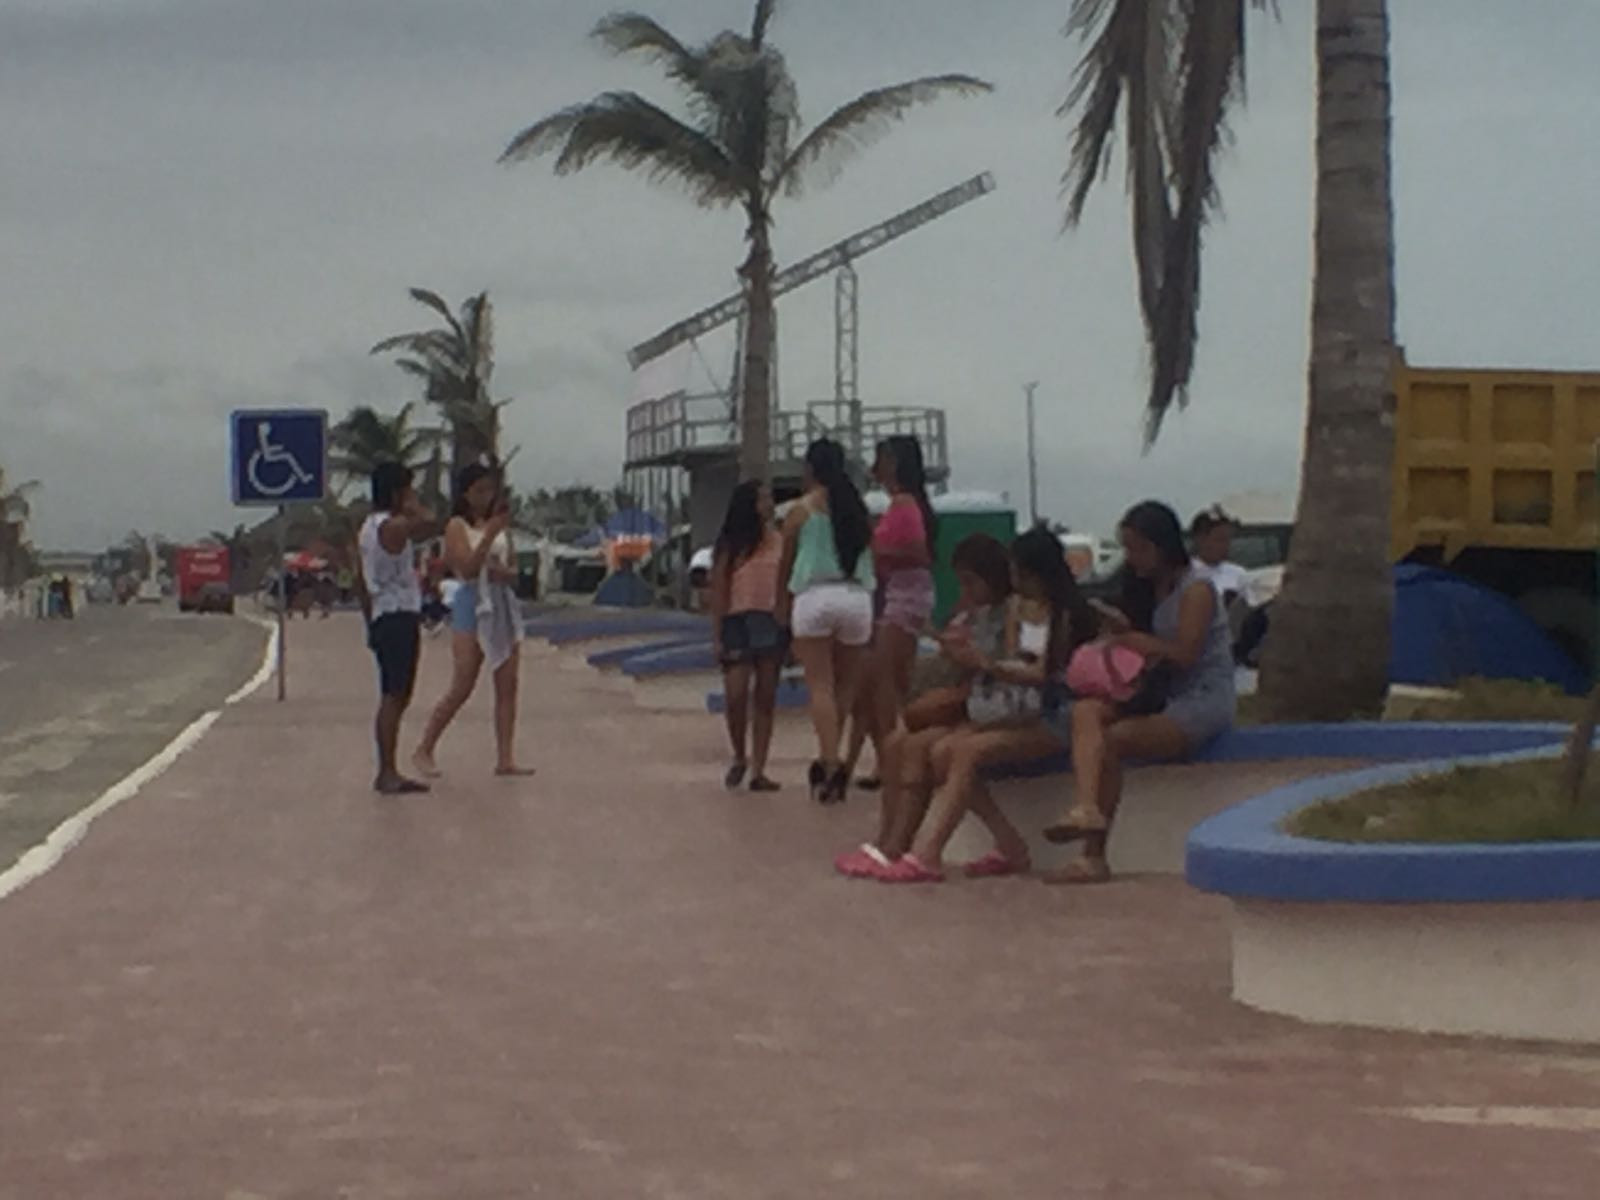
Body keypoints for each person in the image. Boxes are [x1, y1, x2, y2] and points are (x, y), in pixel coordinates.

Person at [860, 527, 1099, 883]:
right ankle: (1005, 842)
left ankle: (930, 851)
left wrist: (988, 665)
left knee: (964, 751)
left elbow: (1047, 675)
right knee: (942, 752)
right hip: (1020, 707)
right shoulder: (1019, 612)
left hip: (1053, 715)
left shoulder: (1068, 616)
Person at [1042, 500, 1238, 884]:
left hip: (1200, 697)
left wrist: (1134, 639)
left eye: (1138, 548)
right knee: (1086, 713)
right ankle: (1085, 806)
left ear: (1162, 545)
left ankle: (1094, 853)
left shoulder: (1196, 589)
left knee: (1113, 741)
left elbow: (1185, 654)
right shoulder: (1146, 589)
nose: (1132, 559)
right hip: (1158, 691)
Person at [834, 532, 1013, 877]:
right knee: (897, 744)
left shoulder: (1005, 616)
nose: (966, 592)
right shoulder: (975, 615)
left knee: (920, 747)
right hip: (978, 700)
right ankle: (889, 841)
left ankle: (897, 844)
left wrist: (969, 657)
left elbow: (999, 664)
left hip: (989, 704)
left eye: (970, 583)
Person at [412, 465, 532, 779]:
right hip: (472, 602)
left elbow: (515, 569)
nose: (485, 497)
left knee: (508, 684)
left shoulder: (501, 527)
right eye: (479, 491)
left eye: (489, 490)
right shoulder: (456, 526)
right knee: (463, 683)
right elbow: (465, 567)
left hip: (501, 601)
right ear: (466, 493)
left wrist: (504, 570)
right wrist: (488, 536)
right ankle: (425, 746)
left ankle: (505, 757)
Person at [777, 438, 876, 804]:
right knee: (845, 689)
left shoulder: (800, 511)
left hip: (814, 596)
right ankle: (833, 760)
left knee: (820, 686)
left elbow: (786, 565)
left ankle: (830, 761)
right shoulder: (857, 510)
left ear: (810, 469)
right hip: (855, 597)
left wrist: (781, 608)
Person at [841, 437, 938, 790]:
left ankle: (894, 760)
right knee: (882, 684)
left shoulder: (904, 504)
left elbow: (916, 549)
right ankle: (884, 761)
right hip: (899, 595)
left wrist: (879, 550)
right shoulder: (904, 504)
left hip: (901, 596)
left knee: (887, 685)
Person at [357, 461, 435, 795]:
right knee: (394, 694)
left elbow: (362, 582)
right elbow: (426, 523)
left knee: (398, 692)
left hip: (385, 613)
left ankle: (388, 767)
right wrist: (415, 507)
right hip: (397, 613)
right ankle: (386, 770)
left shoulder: (367, 527)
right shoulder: (390, 526)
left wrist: (368, 621)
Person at [709, 481, 785, 793]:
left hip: (770, 619)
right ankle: (740, 754)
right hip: (737, 620)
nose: (769, 504)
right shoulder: (731, 544)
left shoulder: (779, 539)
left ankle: (759, 769)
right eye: (763, 499)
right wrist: (717, 634)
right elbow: (719, 590)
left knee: (766, 696)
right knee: (736, 695)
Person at [1189, 507, 1248, 603]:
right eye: (1220, 539)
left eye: (1228, 539)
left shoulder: (1239, 574)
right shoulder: (1185, 575)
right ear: (1200, 540)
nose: (1226, 545)